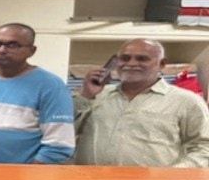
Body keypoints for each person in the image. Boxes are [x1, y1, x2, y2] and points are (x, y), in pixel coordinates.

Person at [74, 39, 209, 167]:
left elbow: (204, 147)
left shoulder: (187, 102)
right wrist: (86, 96)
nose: (131, 64)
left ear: (162, 64)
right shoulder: (95, 95)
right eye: (125, 58)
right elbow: (64, 134)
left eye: (142, 59)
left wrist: (175, 174)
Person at [0, 23, 74, 164]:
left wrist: (28, 178)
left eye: (13, 45)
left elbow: (59, 144)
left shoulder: (51, 86)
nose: (2, 50)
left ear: (32, 51)